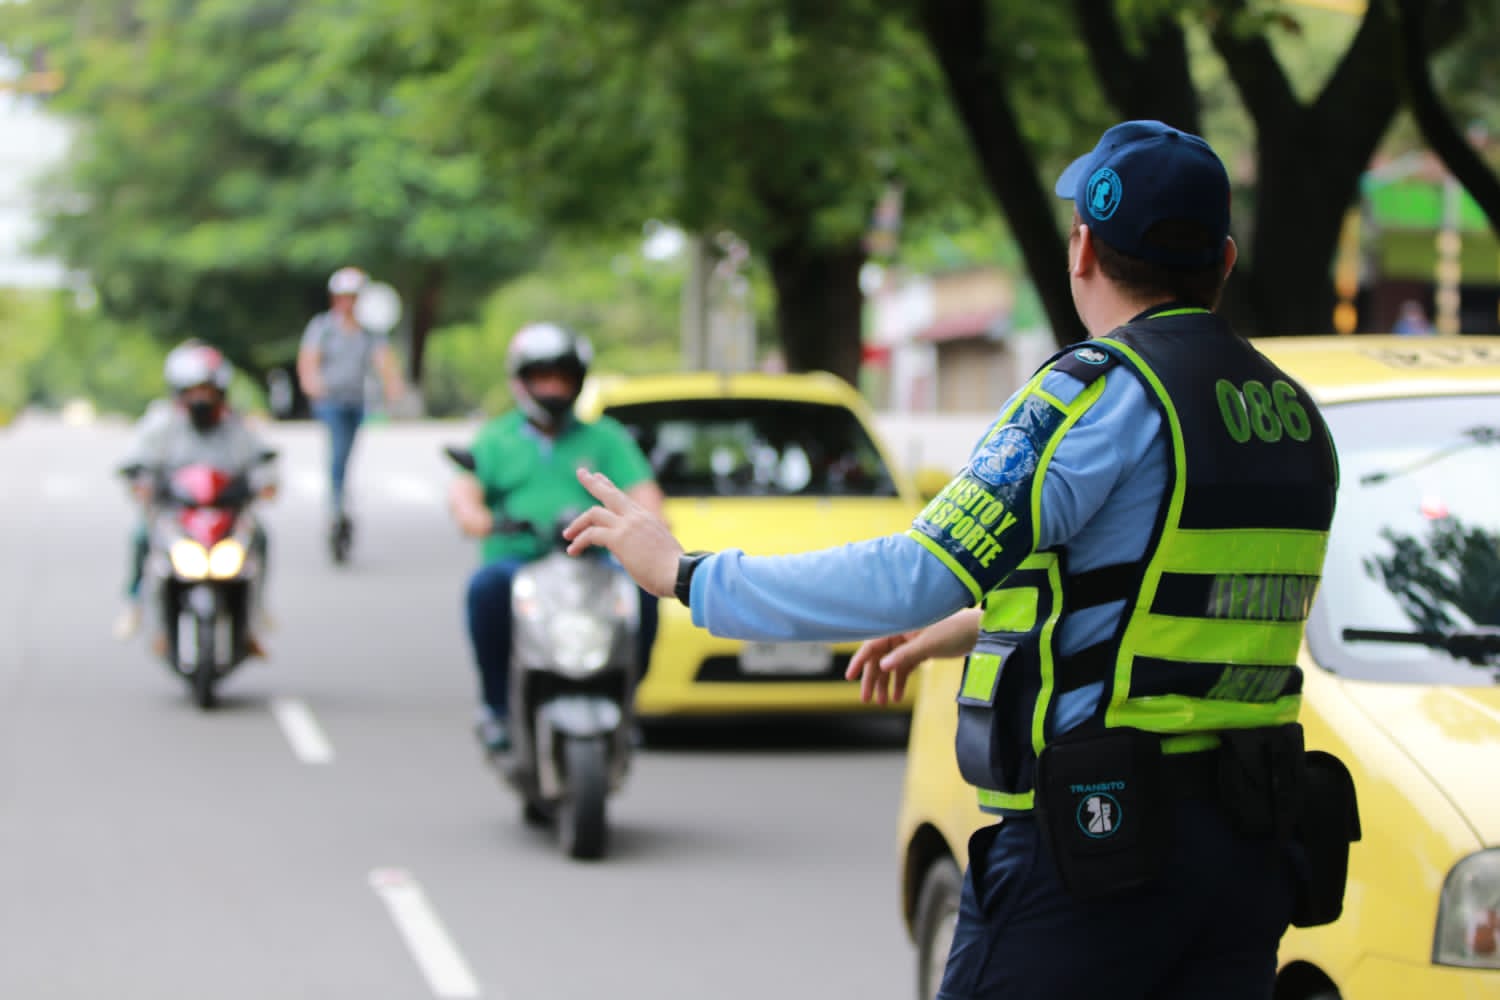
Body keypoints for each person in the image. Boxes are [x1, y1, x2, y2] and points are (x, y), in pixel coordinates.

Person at [561, 121, 1354, 999]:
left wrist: (687, 573)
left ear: (1083, 247)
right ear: (1227, 259)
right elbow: (1169, 597)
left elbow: (918, 570)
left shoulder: (1093, 395)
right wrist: (965, 629)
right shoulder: (1290, 414)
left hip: (1100, 849)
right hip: (1249, 851)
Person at [447, 322, 665, 755]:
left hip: (594, 563)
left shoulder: (606, 438)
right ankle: (495, 708)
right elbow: (464, 493)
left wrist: (650, 523)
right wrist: (479, 518)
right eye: (542, 376)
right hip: (520, 562)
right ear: (522, 381)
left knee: (643, 591)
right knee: (485, 589)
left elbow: (645, 494)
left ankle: (626, 700)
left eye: (562, 378)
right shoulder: (496, 437)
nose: (552, 387)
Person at [116, 341, 279, 654]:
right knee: (141, 537)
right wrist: (141, 482)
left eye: (207, 389)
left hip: (224, 513)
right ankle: (136, 605)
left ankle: (254, 618)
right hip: (177, 513)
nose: (201, 397)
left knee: (259, 539)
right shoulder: (163, 424)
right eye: (194, 390)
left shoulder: (234, 426)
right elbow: (138, 460)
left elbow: (261, 460)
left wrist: (265, 484)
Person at [296, 266, 404, 530]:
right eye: (344, 296)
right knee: (338, 448)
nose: (349, 302)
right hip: (330, 400)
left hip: (356, 400)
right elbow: (309, 359)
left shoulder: (369, 331)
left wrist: (393, 385)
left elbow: (383, 361)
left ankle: (341, 492)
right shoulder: (323, 327)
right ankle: (336, 501)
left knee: (348, 451)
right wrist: (312, 384)